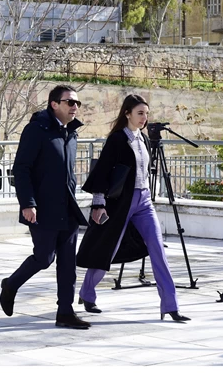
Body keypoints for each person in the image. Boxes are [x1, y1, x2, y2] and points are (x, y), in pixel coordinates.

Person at [77, 94, 190, 322]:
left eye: (146, 114)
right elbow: (103, 172)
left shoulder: (144, 139)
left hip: (144, 202)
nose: (144, 118)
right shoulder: (117, 139)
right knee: (108, 248)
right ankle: (87, 292)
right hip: (120, 204)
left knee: (157, 248)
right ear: (127, 113)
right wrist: (99, 203)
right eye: (140, 113)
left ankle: (170, 304)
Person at [0, 85, 91, 329]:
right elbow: (21, 169)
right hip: (43, 208)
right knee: (44, 258)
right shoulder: (36, 130)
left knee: (68, 263)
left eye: (77, 103)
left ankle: (65, 312)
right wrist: (28, 203)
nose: (75, 107)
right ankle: (10, 284)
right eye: (70, 102)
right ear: (54, 104)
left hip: (67, 207)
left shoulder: (71, 133)